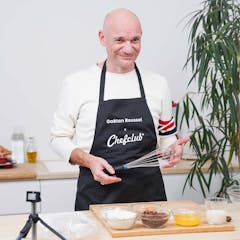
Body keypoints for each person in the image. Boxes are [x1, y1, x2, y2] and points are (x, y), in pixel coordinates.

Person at [50, 8, 189, 211]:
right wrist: (89, 161)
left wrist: (173, 149)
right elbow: (58, 138)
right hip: (97, 200)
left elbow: (167, 136)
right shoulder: (77, 83)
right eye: (120, 40)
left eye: (135, 40)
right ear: (102, 37)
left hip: (149, 201)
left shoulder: (158, 84)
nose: (128, 48)